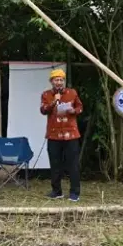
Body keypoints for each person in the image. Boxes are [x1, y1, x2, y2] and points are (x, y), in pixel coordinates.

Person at [40, 68, 83, 202]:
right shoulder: (46, 94)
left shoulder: (72, 93)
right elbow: (43, 110)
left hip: (71, 135)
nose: (59, 82)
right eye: (56, 80)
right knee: (55, 164)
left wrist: (73, 110)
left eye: (61, 80)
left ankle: (75, 193)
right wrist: (54, 102)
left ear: (64, 81)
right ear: (51, 81)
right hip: (54, 135)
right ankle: (56, 191)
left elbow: (80, 108)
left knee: (73, 164)